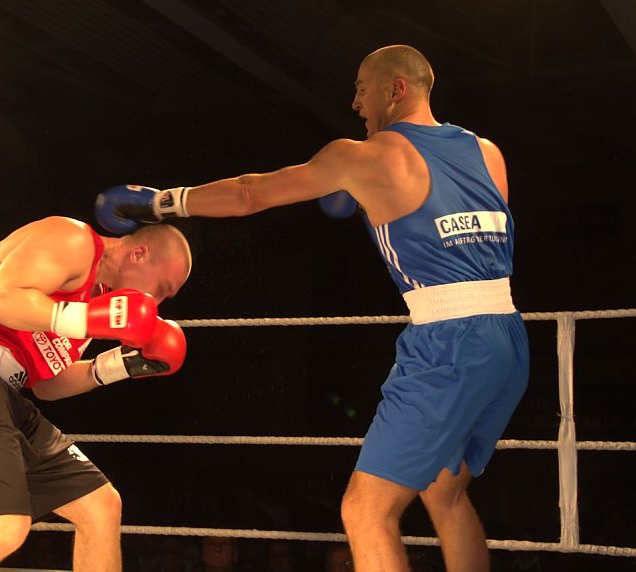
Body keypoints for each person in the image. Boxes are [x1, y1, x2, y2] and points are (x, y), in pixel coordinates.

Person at [95, 44, 529, 572]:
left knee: (365, 511)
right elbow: (469, 234)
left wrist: (159, 202)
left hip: (448, 342)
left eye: (362, 89)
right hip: (506, 337)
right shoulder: (486, 151)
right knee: (446, 495)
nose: (354, 102)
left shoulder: (361, 156)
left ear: (396, 90)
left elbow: (251, 194)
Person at [0, 216, 192, 571]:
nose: (157, 301)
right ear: (139, 253)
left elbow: (46, 384)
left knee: (100, 505)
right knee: (4, 526)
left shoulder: (98, 298)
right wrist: (88, 319)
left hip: (5, 395)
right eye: (162, 287)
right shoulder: (72, 239)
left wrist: (119, 365)